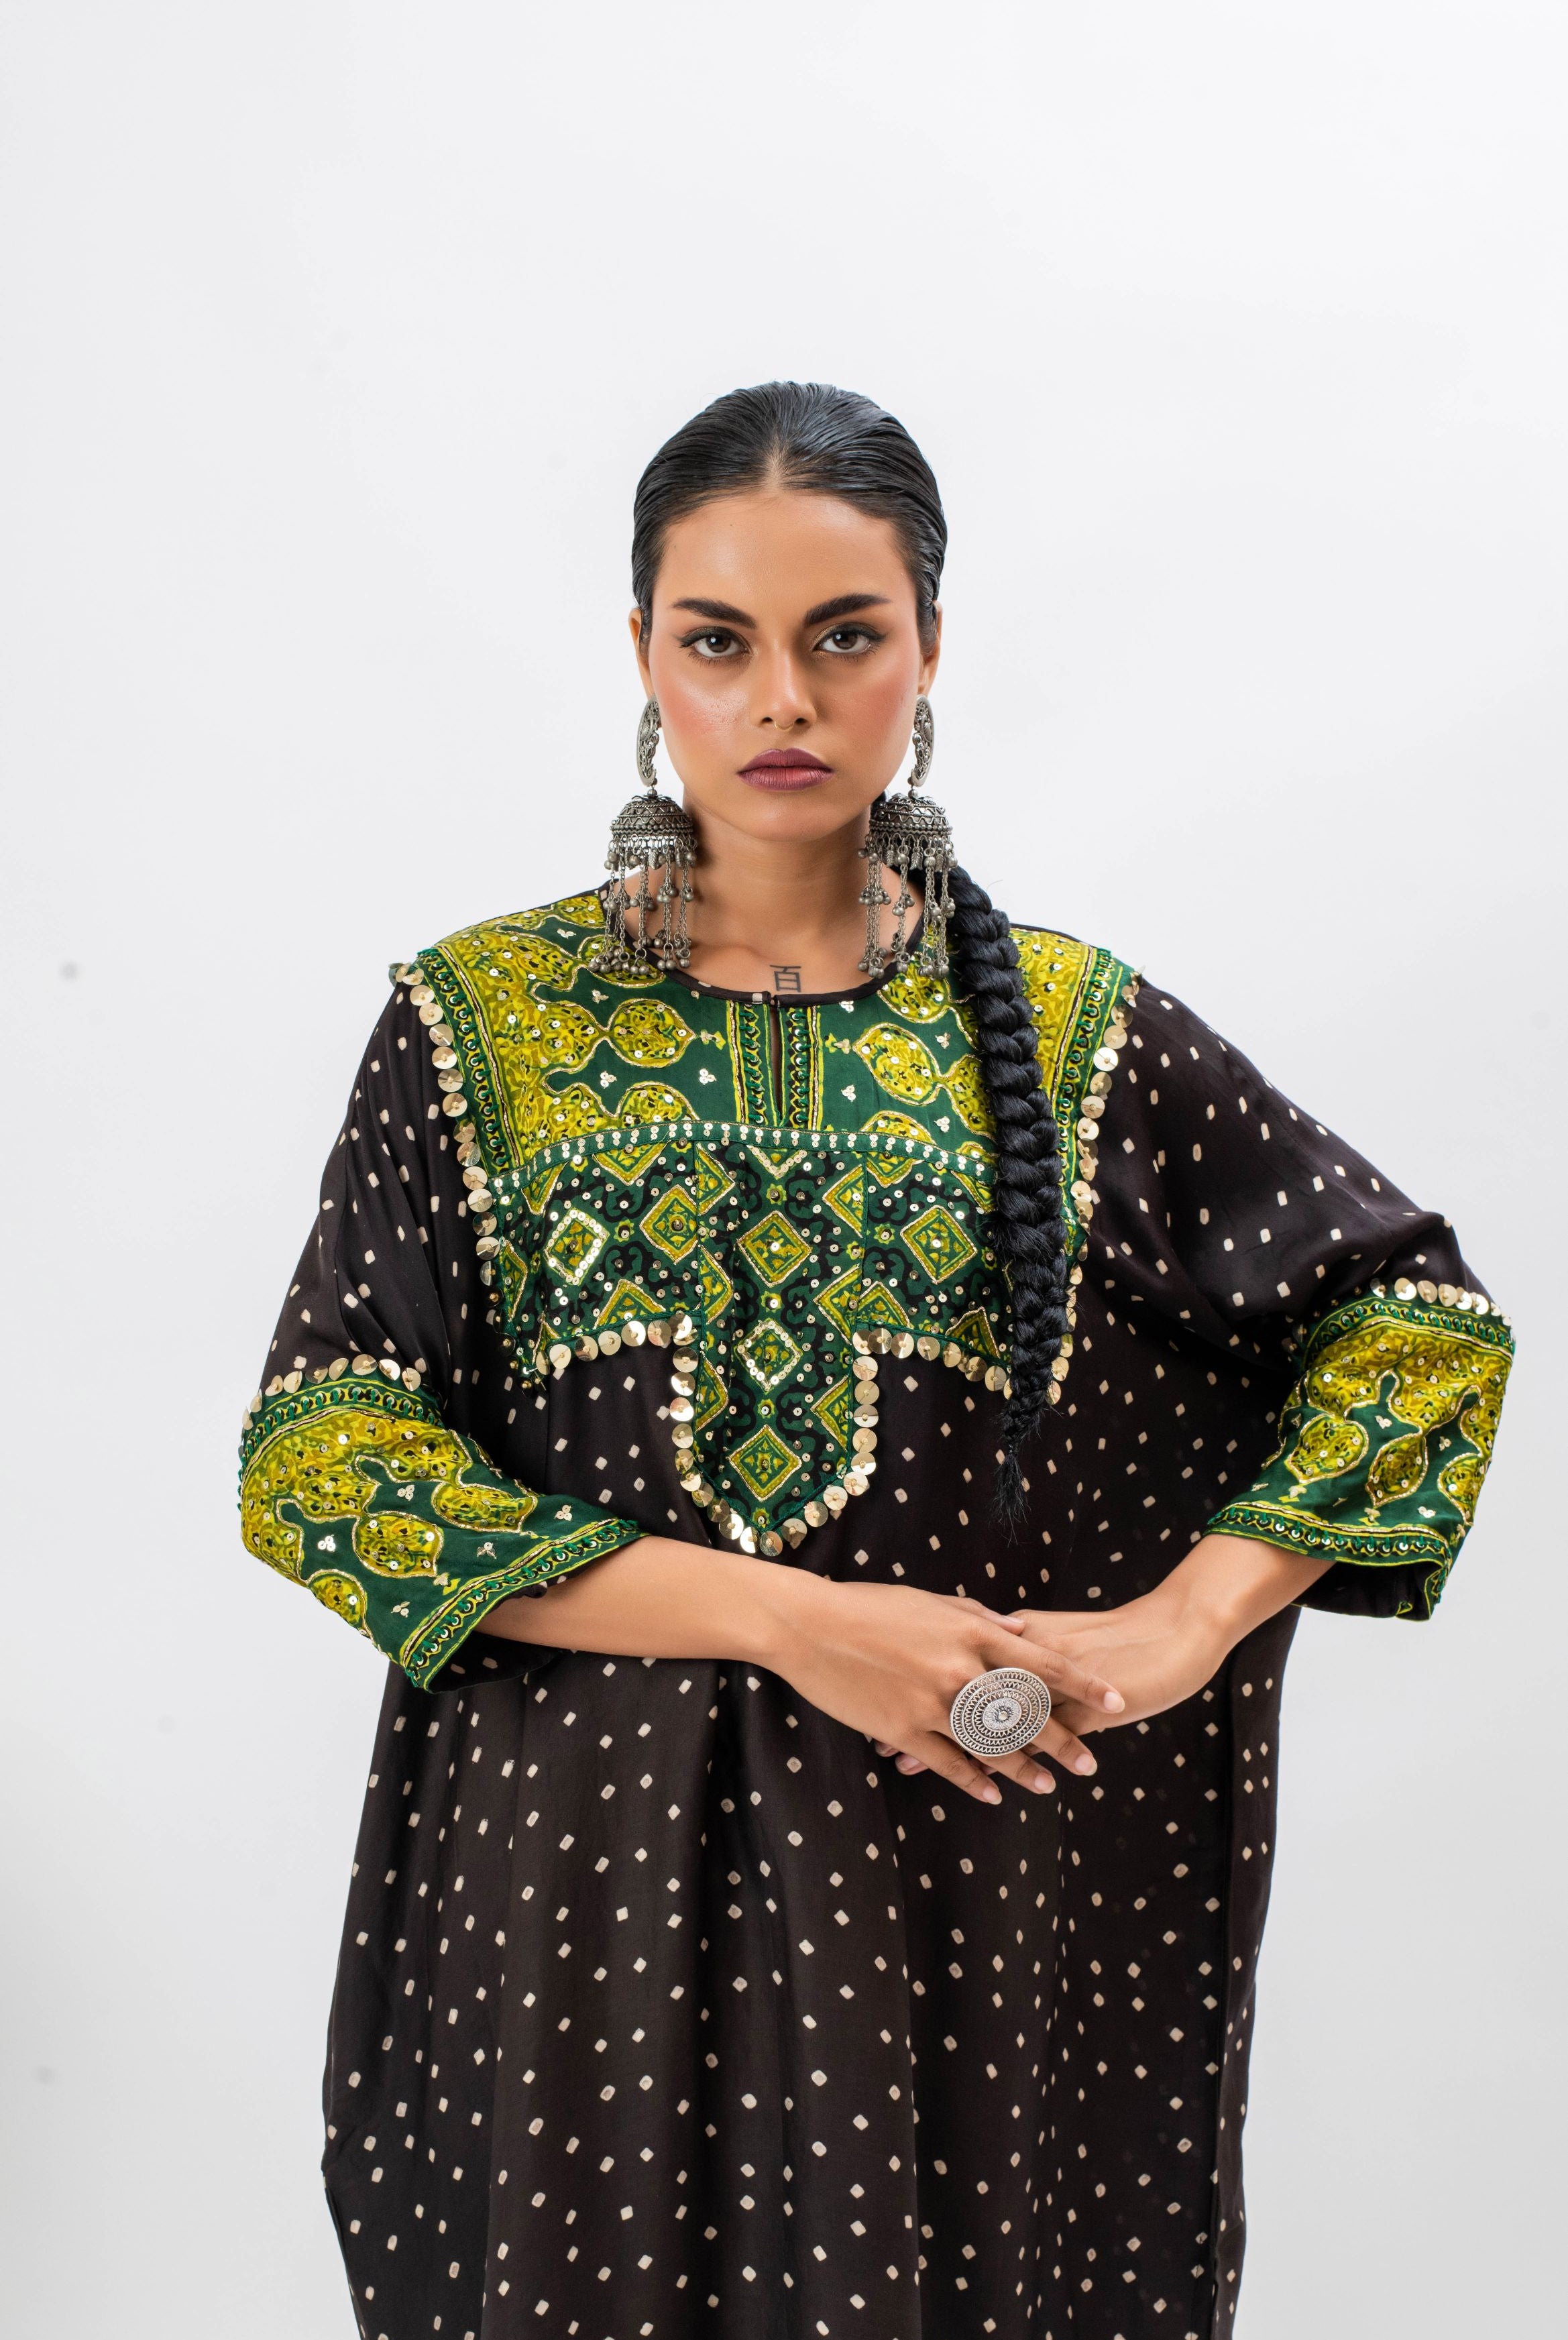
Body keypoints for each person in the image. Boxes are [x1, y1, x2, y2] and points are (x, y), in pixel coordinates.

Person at [239, 382, 1513, 2340]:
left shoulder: (1074, 1032)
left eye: (845, 636)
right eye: (718, 641)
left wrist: (1178, 1626)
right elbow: (321, 1457)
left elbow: (1416, 1326)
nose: (784, 700)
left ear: (928, 646)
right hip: (578, 1904)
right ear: (641, 653)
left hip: (964, 1904)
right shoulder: (471, 1019)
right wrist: (792, 1622)